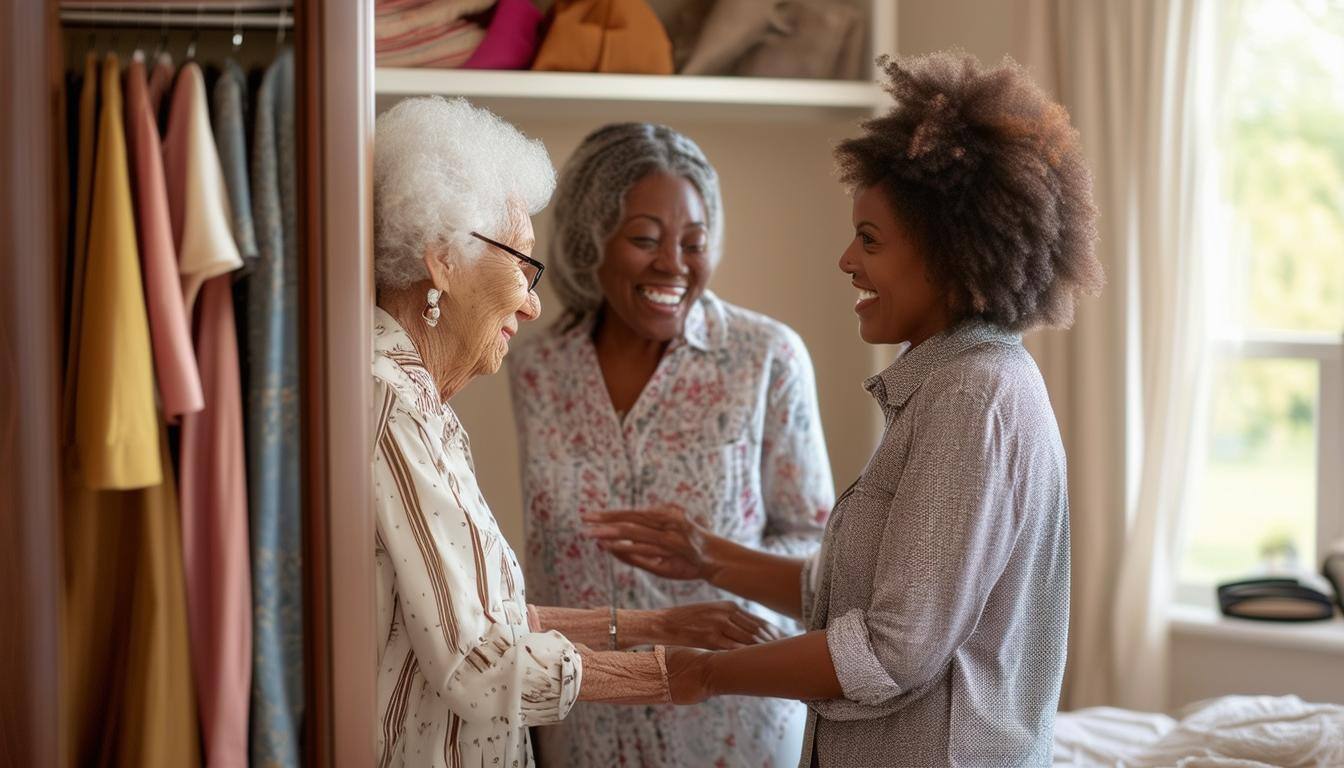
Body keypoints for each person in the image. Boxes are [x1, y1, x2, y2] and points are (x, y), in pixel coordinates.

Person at [586, 51, 1105, 767]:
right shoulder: (957, 384)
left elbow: (892, 649)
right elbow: (861, 598)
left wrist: (701, 673)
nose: (847, 262)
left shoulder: (973, 397)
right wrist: (707, 555)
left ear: (949, 254)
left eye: (869, 241)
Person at [371, 96, 776, 768]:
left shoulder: (424, 403)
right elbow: (477, 661)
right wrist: (680, 671)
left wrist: (657, 626)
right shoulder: (393, 407)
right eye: (520, 264)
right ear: (442, 259)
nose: (532, 301)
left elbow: (480, 618)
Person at [508, 122, 833, 767]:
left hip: (730, 720)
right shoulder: (535, 368)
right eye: (644, 239)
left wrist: (714, 560)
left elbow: (817, 546)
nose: (673, 265)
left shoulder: (766, 358)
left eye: (694, 241)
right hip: (586, 718)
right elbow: (544, 549)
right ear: (588, 240)